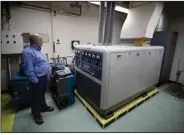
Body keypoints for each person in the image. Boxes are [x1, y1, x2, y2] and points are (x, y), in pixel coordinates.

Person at [23, 33, 54, 125]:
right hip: (37, 78)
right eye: (41, 40)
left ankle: (43, 106)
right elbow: (29, 69)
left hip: (43, 77)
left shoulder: (39, 50)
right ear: (36, 41)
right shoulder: (28, 52)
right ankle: (36, 115)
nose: (42, 42)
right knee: (35, 97)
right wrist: (35, 80)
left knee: (42, 94)